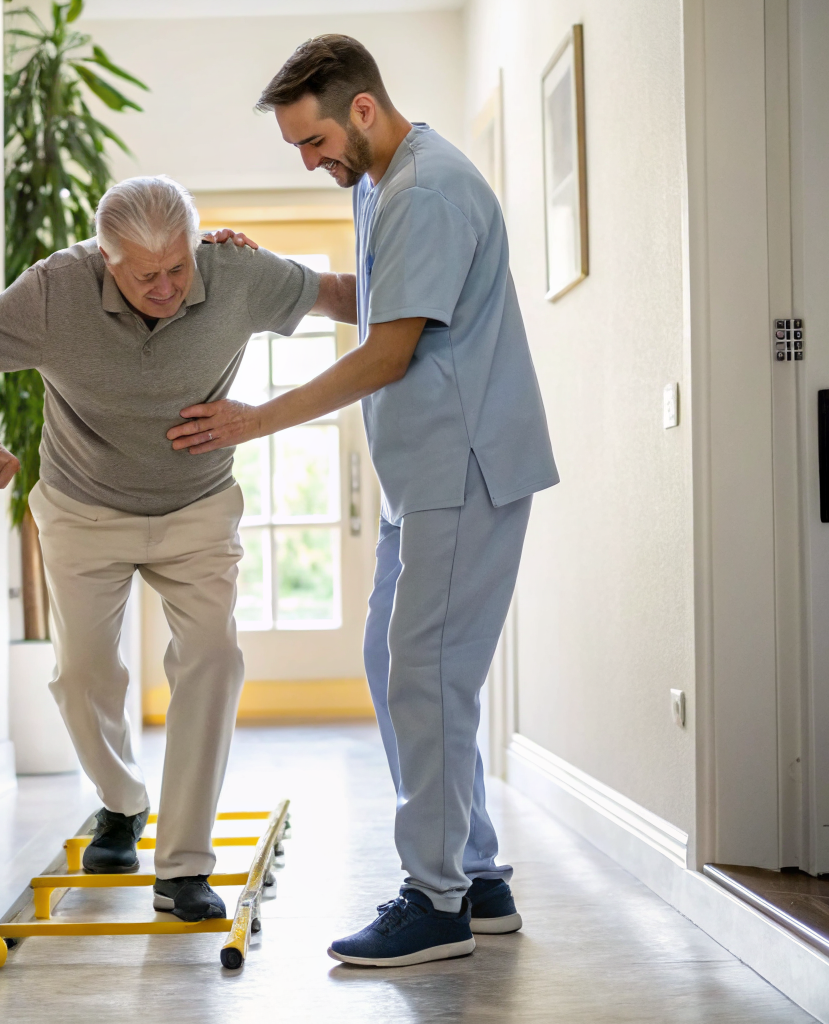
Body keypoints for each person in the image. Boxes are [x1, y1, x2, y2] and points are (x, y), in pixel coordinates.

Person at [166, 36, 558, 965]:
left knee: (425, 674)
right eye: (299, 148)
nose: (310, 161)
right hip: (417, 476)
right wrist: (262, 267)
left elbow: (388, 354)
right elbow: (369, 302)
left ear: (364, 109)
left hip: (460, 470)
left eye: (313, 140)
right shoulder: (379, 184)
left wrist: (252, 420)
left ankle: (436, 903)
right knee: (397, 669)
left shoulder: (424, 189)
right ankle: (477, 875)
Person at [0, 175, 356, 922]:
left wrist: (440, 288)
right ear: (104, 258)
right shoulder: (54, 289)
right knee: (84, 675)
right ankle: (122, 804)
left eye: (178, 268)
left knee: (212, 662)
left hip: (196, 509)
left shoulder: (235, 273)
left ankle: (184, 864)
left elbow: (345, 296)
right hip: (83, 509)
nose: (165, 288)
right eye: (144, 276)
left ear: (197, 243)